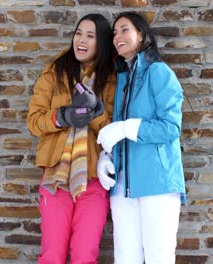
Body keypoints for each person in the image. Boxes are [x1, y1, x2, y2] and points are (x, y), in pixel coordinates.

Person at [96, 12, 186, 264]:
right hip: (123, 187)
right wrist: (106, 155)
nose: (117, 37)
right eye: (114, 33)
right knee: (125, 258)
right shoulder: (122, 79)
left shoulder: (159, 72)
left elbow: (170, 128)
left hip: (157, 183)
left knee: (159, 257)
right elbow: (117, 130)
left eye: (124, 30)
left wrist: (125, 128)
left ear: (142, 35)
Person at [27, 13, 116, 264]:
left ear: (102, 43)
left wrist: (95, 111)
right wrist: (62, 116)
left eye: (91, 36)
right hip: (56, 176)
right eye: (79, 33)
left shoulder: (112, 79)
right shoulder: (54, 73)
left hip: (93, 178)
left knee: (84, 255)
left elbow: (112, 131)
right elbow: (34, 121)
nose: (81, 40)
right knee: (52, 254)